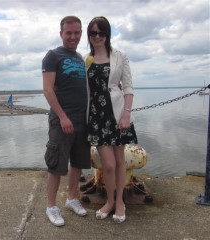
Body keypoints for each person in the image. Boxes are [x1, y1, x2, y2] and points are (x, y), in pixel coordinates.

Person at [84, 16, 138, 224]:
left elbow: (129, 87)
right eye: (93, 33)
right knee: (107, 164)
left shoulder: (120, 57)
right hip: (96, 117)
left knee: (120, 161)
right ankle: (109, 200)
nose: (97, 36)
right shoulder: (85, 60)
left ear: (107, 35)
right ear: (89, 35)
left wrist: (126, 114)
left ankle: (120, 202)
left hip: (116, 115)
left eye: (101, 32)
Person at [42, 16, 91, 227]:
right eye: (69, 33)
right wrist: (62, 117)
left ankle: (72, 199)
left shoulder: (80, 57)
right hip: (61, 121)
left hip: (82, 121)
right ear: (61, 33)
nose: (73, 36)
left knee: (78, 164)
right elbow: (47, 89)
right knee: (56, 165)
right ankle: (51, 206)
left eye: (77, 32)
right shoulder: (53, 56)